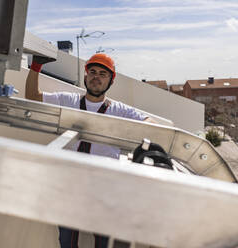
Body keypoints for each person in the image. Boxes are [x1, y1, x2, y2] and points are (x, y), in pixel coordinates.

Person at [25, 53, 153, 248]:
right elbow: (32, 97)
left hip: (105, 190)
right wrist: (35, 66)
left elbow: (150, 125)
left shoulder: (120, 111)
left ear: (111, 80)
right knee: (67, 243)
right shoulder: (68, 101)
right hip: (69, 189)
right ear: (85, 76)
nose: (96, 77)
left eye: (103, 74)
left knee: (105, 244)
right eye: (92, 72)